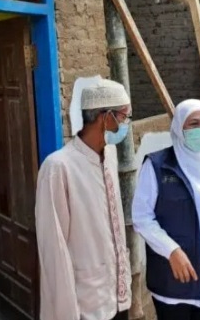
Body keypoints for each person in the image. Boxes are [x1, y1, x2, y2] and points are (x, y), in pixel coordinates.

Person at [132, 99, 200, 320]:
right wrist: (171, 250)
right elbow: (142, 217)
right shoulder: (157, 165)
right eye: (193, 124)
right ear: (178, 127)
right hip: (172, 283)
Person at [35, 78, 132, 320]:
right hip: (85, 305)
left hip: (118, 299)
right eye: (123, 117)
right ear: (104, 117)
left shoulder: (109, 156)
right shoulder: (59, 167)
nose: (124, 124)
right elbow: (54, 249)